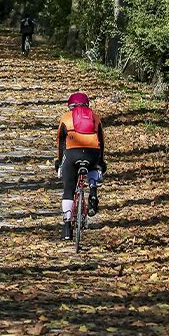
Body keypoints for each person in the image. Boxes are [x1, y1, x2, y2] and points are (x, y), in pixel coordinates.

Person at [54, 92, 106, 240]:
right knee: (94, 167)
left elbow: (61, 144)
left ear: (70, 106)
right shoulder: (95, 118)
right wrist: (101, 163)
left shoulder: (65, 118)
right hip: (92, 154)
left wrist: (59, 163)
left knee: (68, 189)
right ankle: (93, 189)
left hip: (72, 155)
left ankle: (66, 226)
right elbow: (101, 143)